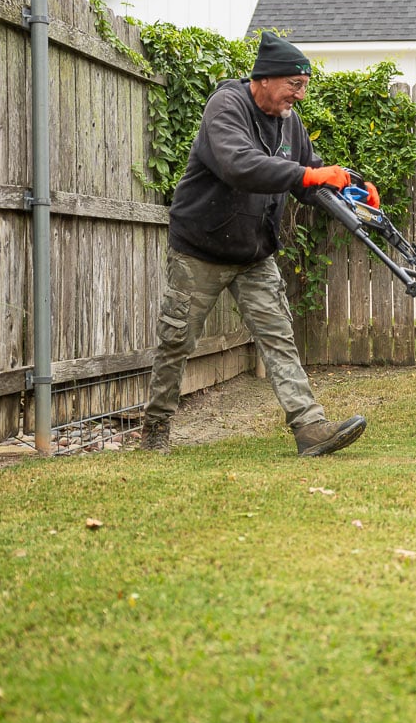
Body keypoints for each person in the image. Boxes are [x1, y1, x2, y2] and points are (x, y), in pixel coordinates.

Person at [140, 32, 378, 456]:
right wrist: (307, 176)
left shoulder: (289, 122)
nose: (300, 96)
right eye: (295, 85)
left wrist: (353, 193)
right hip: (200, 249)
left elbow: (310, 177)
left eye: (304, 86)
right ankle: (155, 429)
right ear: (266, 78)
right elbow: (240, 166)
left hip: (254, 253)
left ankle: (310, 429)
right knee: (177, 341)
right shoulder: (227, 107)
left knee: (278, 337)